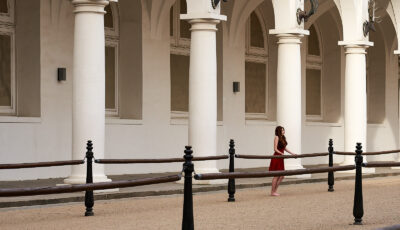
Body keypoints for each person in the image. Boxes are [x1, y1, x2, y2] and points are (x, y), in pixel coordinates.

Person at [269, 126, 297, 196]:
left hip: (281, 158)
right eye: (282, 130)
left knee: (282, 176)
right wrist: (281, 153)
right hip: (277, 157)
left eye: (283, 130)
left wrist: (292, 154)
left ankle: (274, 191)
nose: (283, 131)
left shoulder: (283, 138)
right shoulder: (277, 137)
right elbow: (275, 149)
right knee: (276, 175)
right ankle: (273, 191)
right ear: (279, 131)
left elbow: (285, 148)